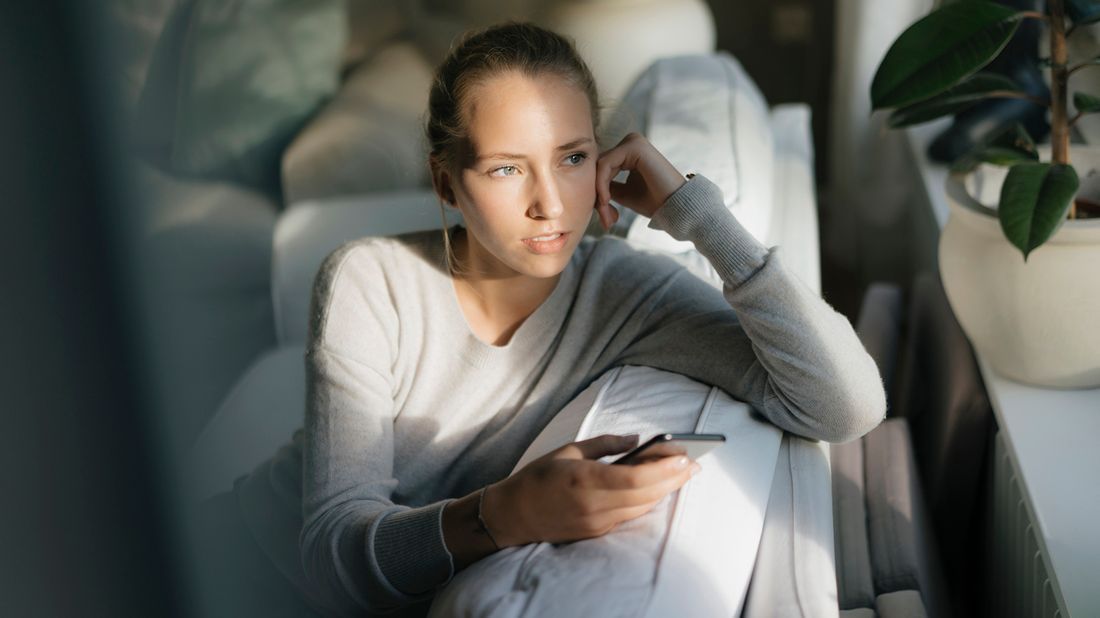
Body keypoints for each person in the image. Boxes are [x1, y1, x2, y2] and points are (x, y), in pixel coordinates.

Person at [197, 20, 886, 618]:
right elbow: (328, 557)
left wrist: (692, 211)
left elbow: (846, 404)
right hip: (225, 570)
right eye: (505, 170)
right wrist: (499, 516)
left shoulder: (628, 294)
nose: (550, 204)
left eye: (573, 158)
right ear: (446, 183)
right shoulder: (371, 280)